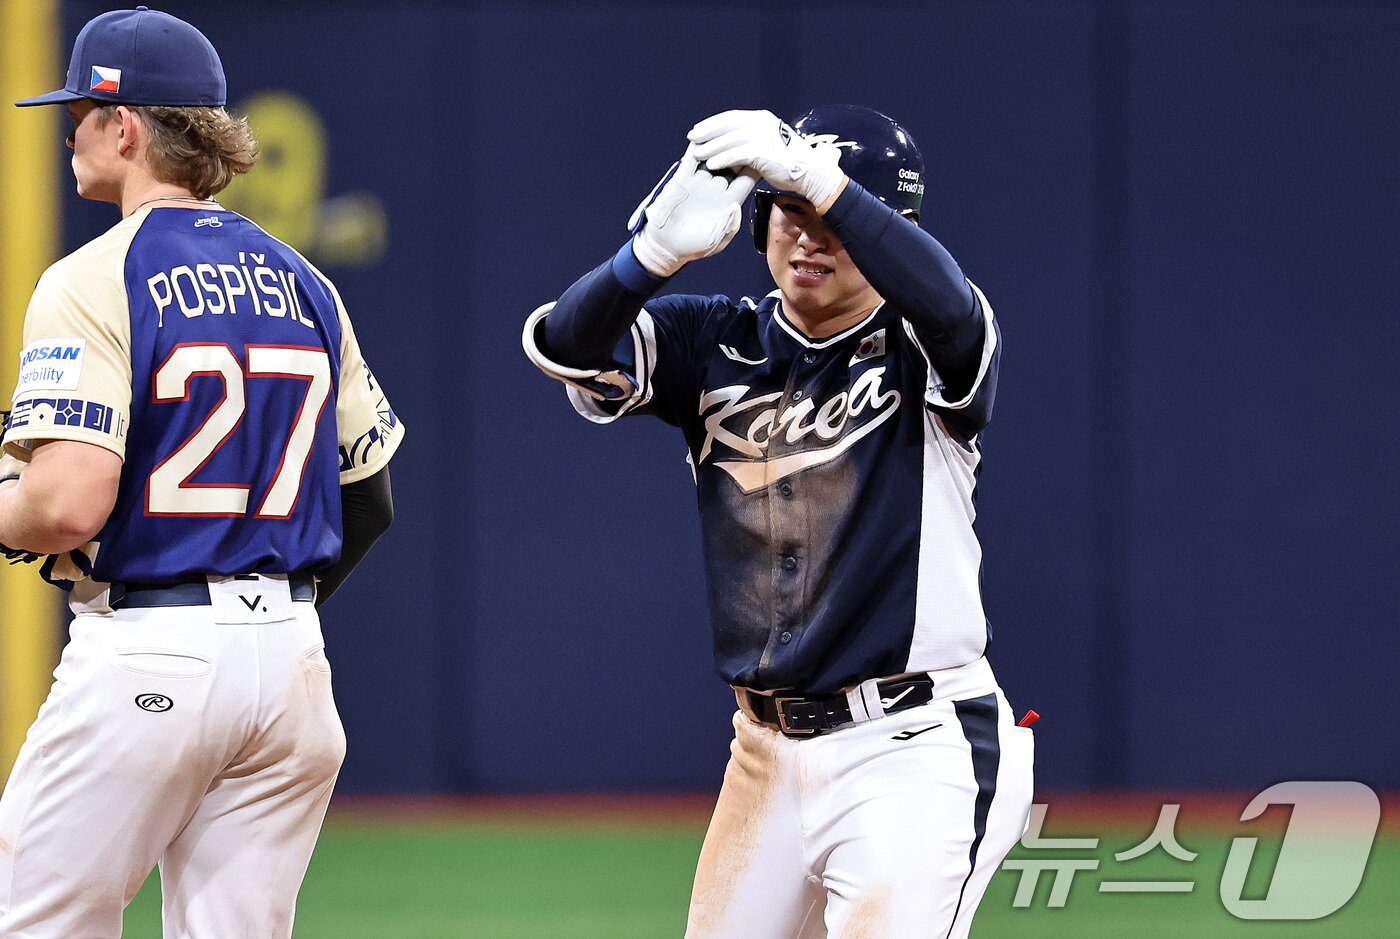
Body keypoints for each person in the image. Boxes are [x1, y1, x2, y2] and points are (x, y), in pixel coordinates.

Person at [523, 104, 1033, 937]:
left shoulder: (922, 342)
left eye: (833, 220)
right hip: (762, 751)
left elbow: (951, 306)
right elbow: (569, 347)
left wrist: (820, 182)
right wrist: (646, 258)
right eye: (788, 212)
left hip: (913, 747)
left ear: (886, 232)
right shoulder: (714, 339)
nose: (808, 237)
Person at [0, 8, 402, 937]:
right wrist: (262, 613)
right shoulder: (306, 281)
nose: (69, 132)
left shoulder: (93, 277)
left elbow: (66, 506)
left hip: (150, 649)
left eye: (81, 113)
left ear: (126, 127)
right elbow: (371, 497)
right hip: (293, 661)